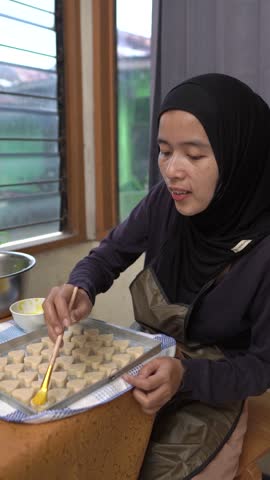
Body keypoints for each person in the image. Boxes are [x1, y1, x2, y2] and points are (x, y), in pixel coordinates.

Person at [43, 73, 270, 479]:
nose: (172, 171)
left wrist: (185, 375)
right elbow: (110, 253)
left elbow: (262, 366)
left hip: (215, 385)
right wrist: (82, 285)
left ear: (241, 156)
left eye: (194, 156)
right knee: (74, 451)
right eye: (164, 152)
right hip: (145, 358)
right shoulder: (164, 202)